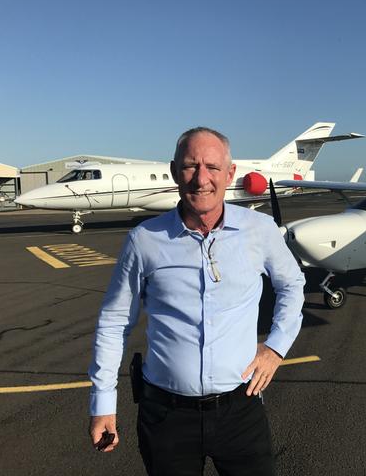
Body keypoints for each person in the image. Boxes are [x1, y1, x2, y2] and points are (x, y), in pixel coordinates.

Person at [88, 127, 305, 475]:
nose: (201, 178)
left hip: (241, 412)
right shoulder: (144, 240)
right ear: (175, 171)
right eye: (190, 166)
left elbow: (293, 285)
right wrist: (103, 404)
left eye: (212, 167)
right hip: (166, 418)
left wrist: (276, 347)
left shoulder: (259, 230)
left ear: (229, 174)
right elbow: (114, 322)